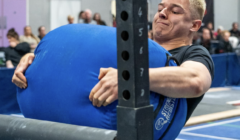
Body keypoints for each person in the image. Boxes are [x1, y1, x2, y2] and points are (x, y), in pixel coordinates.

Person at [12, 0, 214, 137]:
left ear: (195, 26)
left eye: (175, 11)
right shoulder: (131, 44)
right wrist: (37, 60)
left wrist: (130, 78)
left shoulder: (193, 53)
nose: (162, 13)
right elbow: (80, 60)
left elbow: (196, 80)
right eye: (161, 7)